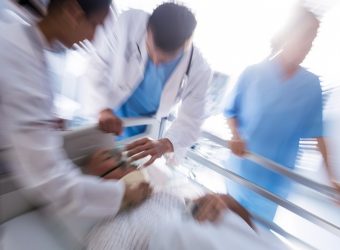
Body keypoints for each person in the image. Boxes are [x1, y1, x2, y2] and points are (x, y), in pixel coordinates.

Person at [0, 0, 152, 219]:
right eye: (96, 25)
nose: (93, 38)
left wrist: (42, 122)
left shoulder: (21, 39)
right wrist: (123, 194)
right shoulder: (22, 63)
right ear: (73, 12)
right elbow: (50, 179)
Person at [224, 7, 339, 221]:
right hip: (240, 172)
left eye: (312, 39)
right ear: (288, 32)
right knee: (226, 228)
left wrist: (331, 178)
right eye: (305, 36)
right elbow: (231, 111)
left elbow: (318, 136)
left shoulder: (311, 86)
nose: (309, 46)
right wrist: (235, 135)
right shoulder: (253, 73)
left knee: (255, 237)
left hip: (274, 184)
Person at [86, 2, 212, 167]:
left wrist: (165, 144)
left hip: (143, 129)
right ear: (148, 29)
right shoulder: (129, 23)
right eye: (152, 51)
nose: (157, 62)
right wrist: (103, 109)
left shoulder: (199, 69)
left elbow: (192, 120)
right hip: (106, 114)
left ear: (187, 44)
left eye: (166, 58)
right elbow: (99, 65)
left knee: (126, 172)